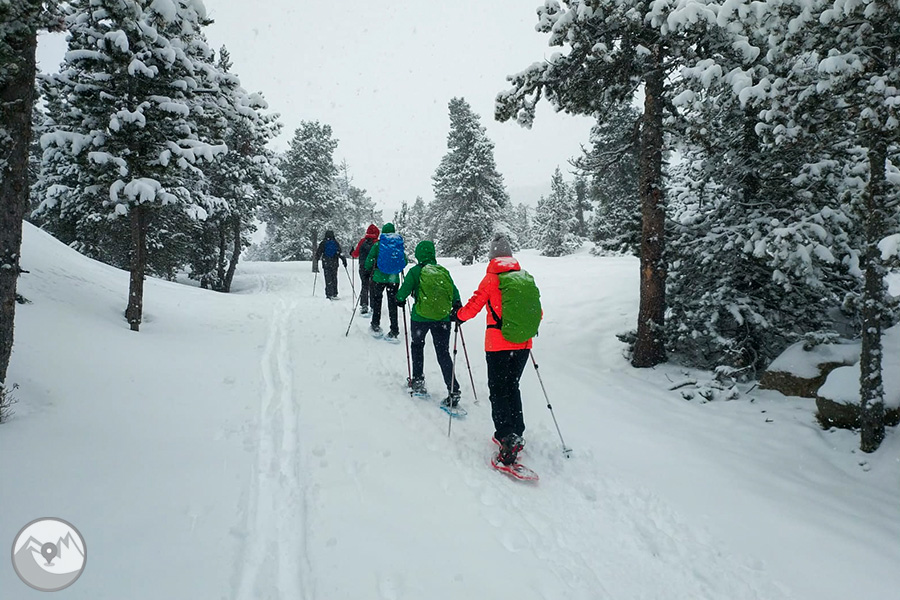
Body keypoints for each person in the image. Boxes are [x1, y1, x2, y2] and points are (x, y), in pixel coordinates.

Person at [455, 233, 542, 466]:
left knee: (498, 389)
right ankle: (517, 431)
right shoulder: (525, 277)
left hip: (498, 344)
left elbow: (474, 305)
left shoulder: (491, 279)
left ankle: (506, 436)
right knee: (512, 385)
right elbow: (538, 312)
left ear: (492, 256)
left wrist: (459, 316)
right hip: (523, 344)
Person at [396, 240, 462, 407]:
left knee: (417, 346)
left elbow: (403, 292)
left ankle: (418, 380)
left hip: (420, 318)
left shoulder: (415, 271)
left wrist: (399, 299)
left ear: (418, 254)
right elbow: (454, 293)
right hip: (442, 318)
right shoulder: (443, 271)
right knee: (443, 353)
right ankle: (453, 389)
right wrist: (457, 306)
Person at [364, 223, 407, 339]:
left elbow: (370, 259)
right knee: (392, 303)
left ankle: (375, 325)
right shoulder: (397, 245)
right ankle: (394, 330)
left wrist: (367, 270)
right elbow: (404, 260)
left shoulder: (378, 244)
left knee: (377, 301)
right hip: (394, 279)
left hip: (378, 277)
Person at [350, 224, 380, 315]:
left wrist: (352, 253)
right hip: (374, 267)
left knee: (364, 285)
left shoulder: (362, 241)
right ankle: (373, 306)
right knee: (373, 286)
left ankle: (364, 304)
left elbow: (356, 254)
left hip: (363, 267)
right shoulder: (377, 243)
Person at [313, 230, 347, 300]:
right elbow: (340, 253)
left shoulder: (323, 243)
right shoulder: (335, 243)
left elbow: (319, 252)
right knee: (334, 278)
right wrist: (344, 261)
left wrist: (317, 258)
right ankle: (335, 293)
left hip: (326, 263)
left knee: (328, 278)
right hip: (334, 263)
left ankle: (329, 294)